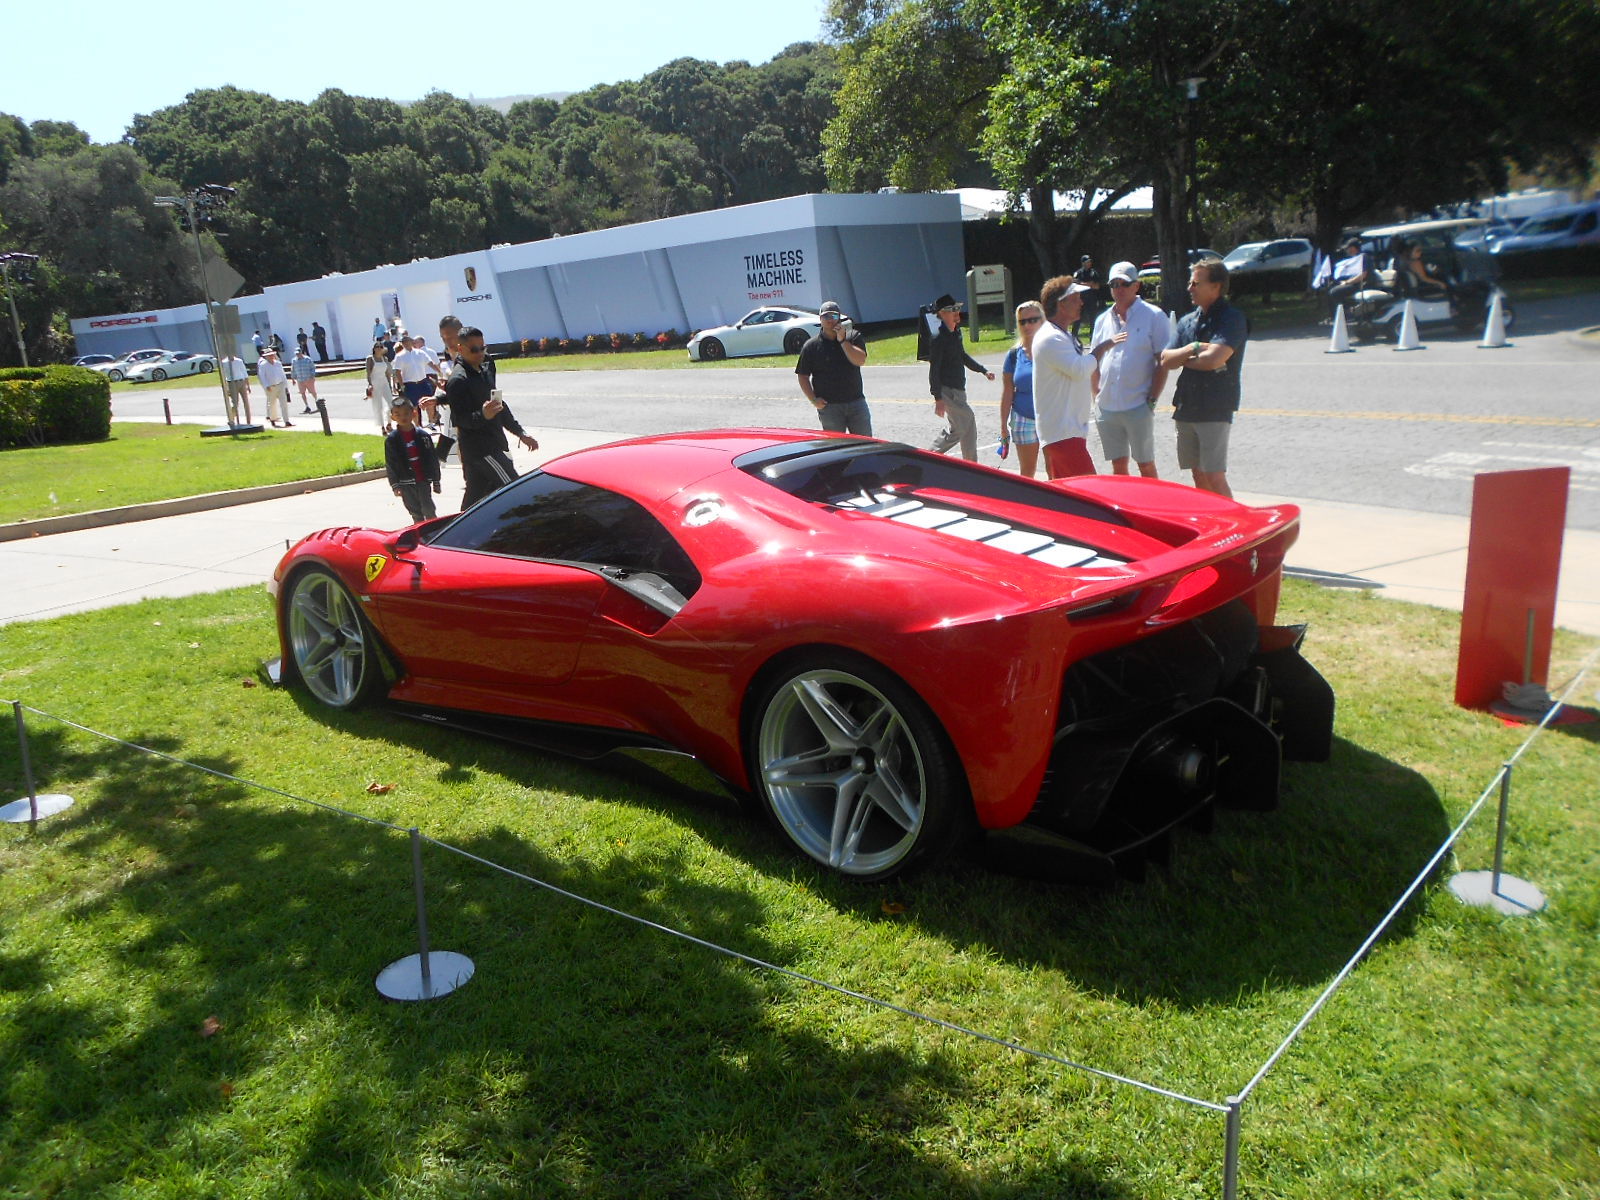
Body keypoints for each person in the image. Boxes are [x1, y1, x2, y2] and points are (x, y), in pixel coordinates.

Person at [1159, 258, 1248, 498]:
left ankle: (1235, 525)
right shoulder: (1188, 321)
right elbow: (1166, 360)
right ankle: (1212, 521)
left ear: (1216, 286)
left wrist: (1183, 357)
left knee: (1214, 475)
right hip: (1187, 404)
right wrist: (1195, 347)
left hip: (1215, 406)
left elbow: (1214, 360)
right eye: (1190, 282)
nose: (1190, 288)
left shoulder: (1232, 319)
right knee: (1197, 472)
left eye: (1196, 283)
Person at [438, 326, 539, 509]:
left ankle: (458, 534)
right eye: (474, 349)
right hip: (481, 451)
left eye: (483, 348)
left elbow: (499, 405)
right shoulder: (458, 380)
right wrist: (482, 415)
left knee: (475, 505)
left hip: (495, 443)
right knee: (514, 490)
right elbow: (460, 419)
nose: (480, 353)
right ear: (460, 349)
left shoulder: (486, 367)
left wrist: (521, 433)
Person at [1091, 261, 1169, 478]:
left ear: (1136, 286)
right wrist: (1095, 396)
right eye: (1114, 284)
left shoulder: (1154, 316)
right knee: (1118, 466)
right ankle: (1124, 510)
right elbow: (1093, 360)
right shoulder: (1102, 320)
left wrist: (1152, 400)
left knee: (1146, 465)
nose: (1119, 289)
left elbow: (1162, 361)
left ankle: (1152, 510)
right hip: (1107, 406)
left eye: (1124, 284)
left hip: (1137, 405)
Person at [1032, 277, 1112, 478]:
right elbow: (1079, 369)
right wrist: (1102, 348)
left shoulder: (1062, 335)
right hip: (1063, 434)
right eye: (1076, 298)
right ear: (1061, 303)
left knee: (1065, 501)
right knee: (1088, 494)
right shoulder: (1051, 338)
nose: (1081, 303)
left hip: (1066, 433)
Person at [926, 294, 995, 460]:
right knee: (965, 422)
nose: (957, 312)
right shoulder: (938, 339)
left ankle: (971, 465)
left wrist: (982, 370)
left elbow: (962, 356)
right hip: (947, 391)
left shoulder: (956, 334)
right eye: (952, 310)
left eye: (957, 308)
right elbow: (934, 370)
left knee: (967, 427)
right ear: (941, 314)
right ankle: (930, 455)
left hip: (958, 390)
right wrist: (938, 398)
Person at [795, 301, 871, 435]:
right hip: (829, 407)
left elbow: (860, 360)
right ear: (820, 319)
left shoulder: (853, 337)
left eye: (834, 316)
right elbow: (802, 375)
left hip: (856, 402)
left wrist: (842, 340)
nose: (830, 320)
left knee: (865, 444)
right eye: (826, 317)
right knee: (836, 446)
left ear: (839, 318)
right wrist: (813, 399)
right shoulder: (811, 346)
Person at [998, 300, 1045, 478]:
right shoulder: (1013, 354)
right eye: (1022, 322)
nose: (1028, 325)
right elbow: (1008, 391)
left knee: (1055, 469)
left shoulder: (1052, 348)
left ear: (1042, 320)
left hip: (1050, 418)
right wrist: (1003, 426)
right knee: (1027, 472)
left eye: (1033, 319)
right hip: (1023, 418)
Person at [384, 397, 443, 523]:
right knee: (414, 511)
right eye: (397, 414)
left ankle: (434, 531)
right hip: (405, 483)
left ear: (414, 413)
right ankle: (420, 535)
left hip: (423, 480)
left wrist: (436, 480)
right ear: (392, 417)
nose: (402, 417)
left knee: (428, 509)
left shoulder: (423, 436)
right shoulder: (392, 440)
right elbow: (390, 464)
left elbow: (432, 458)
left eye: (406, 413)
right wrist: (395, 485)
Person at [1323, 237, 1370, 319]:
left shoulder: (1363, 257)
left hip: (1362, 284)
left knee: (1335, 291)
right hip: (1353, 283)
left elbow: (1363, 275)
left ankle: (1347, 313)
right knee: (1330, 287)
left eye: (1348, 248)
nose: (1347, 251)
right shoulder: (1353, 259)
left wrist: (1347, 282)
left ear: (1353, 248)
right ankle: (1333, 315)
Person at [391, 335, 439, 410]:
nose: (406, 343)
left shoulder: (420, 353)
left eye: (407, 341)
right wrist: (401, 385)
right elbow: (397, 371)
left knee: (429, 404)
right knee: (414, 407)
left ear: (411, 342)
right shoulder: (399, 356)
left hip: (422, 382)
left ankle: (432, 420)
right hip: (410, 385)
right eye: (404, 342)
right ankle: (417, 422)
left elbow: (430, 363)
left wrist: (439, 372)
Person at [256, 347, 294, 427]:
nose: (271, 356)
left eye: (272, 355)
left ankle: (286, 420)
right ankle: (273, 419)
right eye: (269, 355)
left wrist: (286, 385)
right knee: (272, 404)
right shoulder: (263, 365)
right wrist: (266, 386)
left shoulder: (278, 363)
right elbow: (262, 376)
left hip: (280, 385)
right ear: (266, 357)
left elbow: (282, 374)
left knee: (284, 403)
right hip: (271, 386)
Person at [365, 341, 395, 433]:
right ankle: (382, 427)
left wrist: (390, 385)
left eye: (380, 347)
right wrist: (370, 384)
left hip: (384, 382)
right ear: (374, 349)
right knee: (378, 406)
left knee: (391, 403)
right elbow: (368, 373)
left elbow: (388, 373)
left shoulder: (384, 358)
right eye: (377, 347)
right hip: (375, 383)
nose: (378, 348)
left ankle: (389, 423)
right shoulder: (370, 359)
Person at [1072, 254, 1104, 338]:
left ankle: (1092, 338)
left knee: (1093, 320)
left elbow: (1097, 286)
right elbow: (1074, 284)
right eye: (1087, 262)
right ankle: (1073, 337)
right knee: (1077, 318)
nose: (1089, 263)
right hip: (1080, 300)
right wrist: (1089, 284)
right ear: (1083, 263)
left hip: (1092, 299)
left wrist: (1082, 284)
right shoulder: (1078, 273)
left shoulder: (1094, 273)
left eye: (1089, 262)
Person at [220, 354, 253, 425]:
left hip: (241, 381)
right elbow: (224, 375)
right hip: (232, 383)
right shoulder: (224, 362)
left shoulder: (239, 361)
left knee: (246, 402)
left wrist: (248, 385)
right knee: (235, 403)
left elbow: (244, 373)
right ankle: (232, 419)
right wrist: (227, 388)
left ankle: (248, 421)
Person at [290, 346, 320, 412]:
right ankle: (307, 406)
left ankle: (318, 404)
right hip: (300, 379)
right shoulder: (294, 360)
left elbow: (313, 368)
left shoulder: (307, 359)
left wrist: (312, 377)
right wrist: (293, 379)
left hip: (308, 378)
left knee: (313, 392)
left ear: (301, 352)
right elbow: (293, 369)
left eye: (298, 353)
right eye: (296, 354)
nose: (297, 355)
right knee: (302, 393)